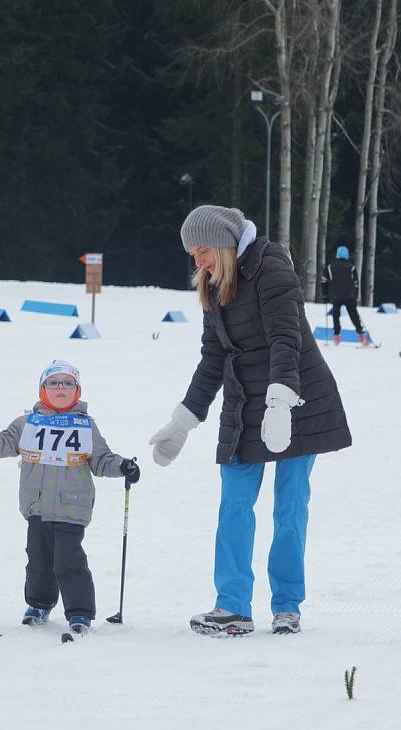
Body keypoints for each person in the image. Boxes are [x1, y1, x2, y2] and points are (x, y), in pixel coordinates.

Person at [150, 205, 351, 636]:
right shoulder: (212, 283)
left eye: (202, 251)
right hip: (244, 403)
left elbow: (286, 339)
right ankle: (232, 606)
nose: (197, 261)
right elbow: (213, 357)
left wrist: (281, 401)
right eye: (193, 254)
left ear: (224, 244)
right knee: (235, 503)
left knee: (290, 505)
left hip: (297, 397)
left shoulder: (270, 266)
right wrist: (184, 419)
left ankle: (287, 605)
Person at [0, 359, 140, 636]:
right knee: (38, 559)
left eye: (68, 383)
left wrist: (124, 466)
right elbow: (2, 445)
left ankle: (79, 612)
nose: (60, 388)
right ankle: (39, 604)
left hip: (72, 505)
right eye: (53, 383)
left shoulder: (85, 426)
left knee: (69, 560)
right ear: (43, 389)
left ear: (77, 390)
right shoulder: (27, 423)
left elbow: (102, 460)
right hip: (37, 506)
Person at [321, 245, 368, 346]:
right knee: (354, 315)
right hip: (349, 296)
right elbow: (356, 283)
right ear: (347, 255)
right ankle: (361, 335)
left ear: (337, 255)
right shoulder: (352, 268)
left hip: (336, 295)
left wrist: (325, 295)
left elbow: (324, 281)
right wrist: (356, 295)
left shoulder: (330, 267)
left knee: (335, 314)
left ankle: (336, 335)